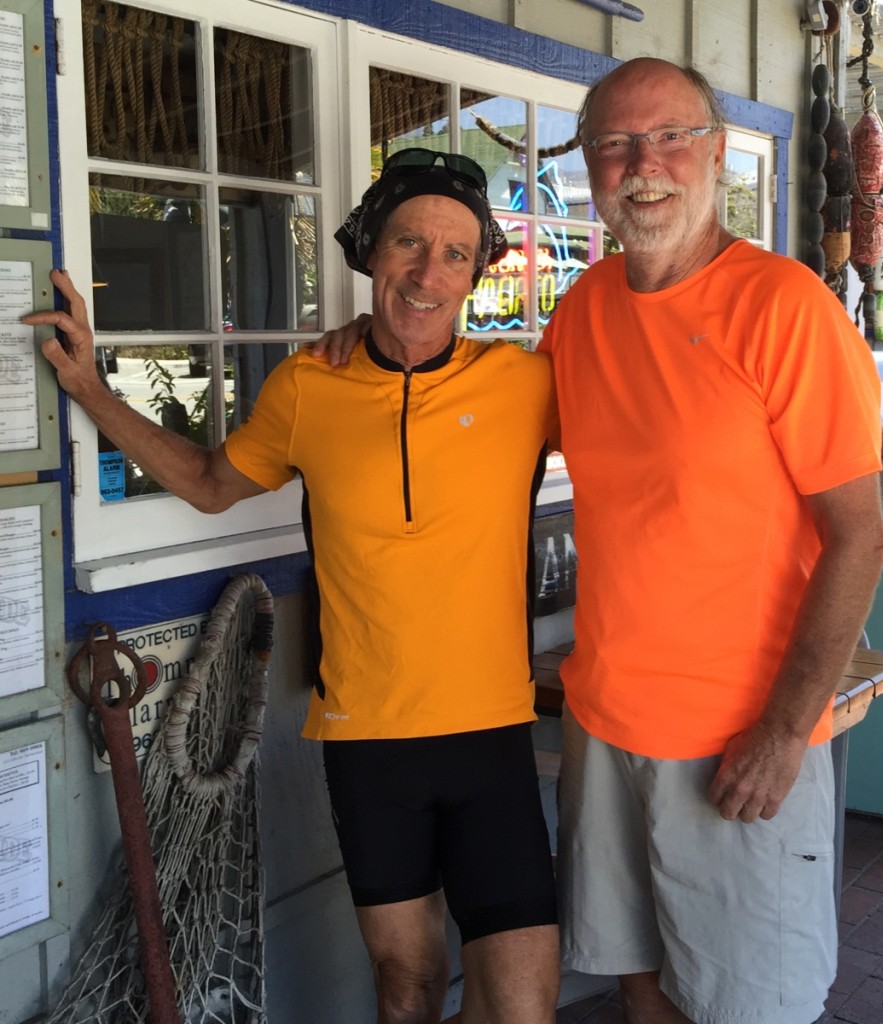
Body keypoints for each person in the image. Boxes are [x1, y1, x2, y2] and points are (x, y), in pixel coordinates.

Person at [24, 149, 560, 1024]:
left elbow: (645, 424)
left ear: (476, 273)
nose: (428, 273)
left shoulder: (528, 383)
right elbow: (204, 482)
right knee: (407, 988)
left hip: (490, 735)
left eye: (455, 254)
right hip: (368, 738)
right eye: (407, 245)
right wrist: (88, 383)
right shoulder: (311, 384)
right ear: (368, 254)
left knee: (522, 1007)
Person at [541, 58, 883, 1024]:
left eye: (669, 137)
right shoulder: (580, 312)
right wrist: (372, 349)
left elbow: (856, 539)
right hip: (605, 725)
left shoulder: (784, 309)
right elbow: (482, 424)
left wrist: (783, 734)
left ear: (717, 152)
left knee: (750, 1008)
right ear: (591, 163)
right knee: (638, 983)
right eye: (613, 142)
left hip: (739, 742)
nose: (641, 163)